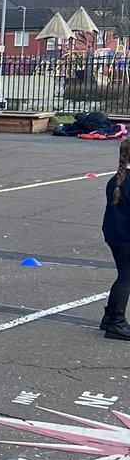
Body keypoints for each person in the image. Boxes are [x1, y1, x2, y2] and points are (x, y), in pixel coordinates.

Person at [101, 138, 130, 339]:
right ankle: (116, 323)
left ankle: (110, 317)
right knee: (126, 278)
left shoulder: (117, 179)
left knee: (123, 275)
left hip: (114, 234)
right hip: (125, 236)